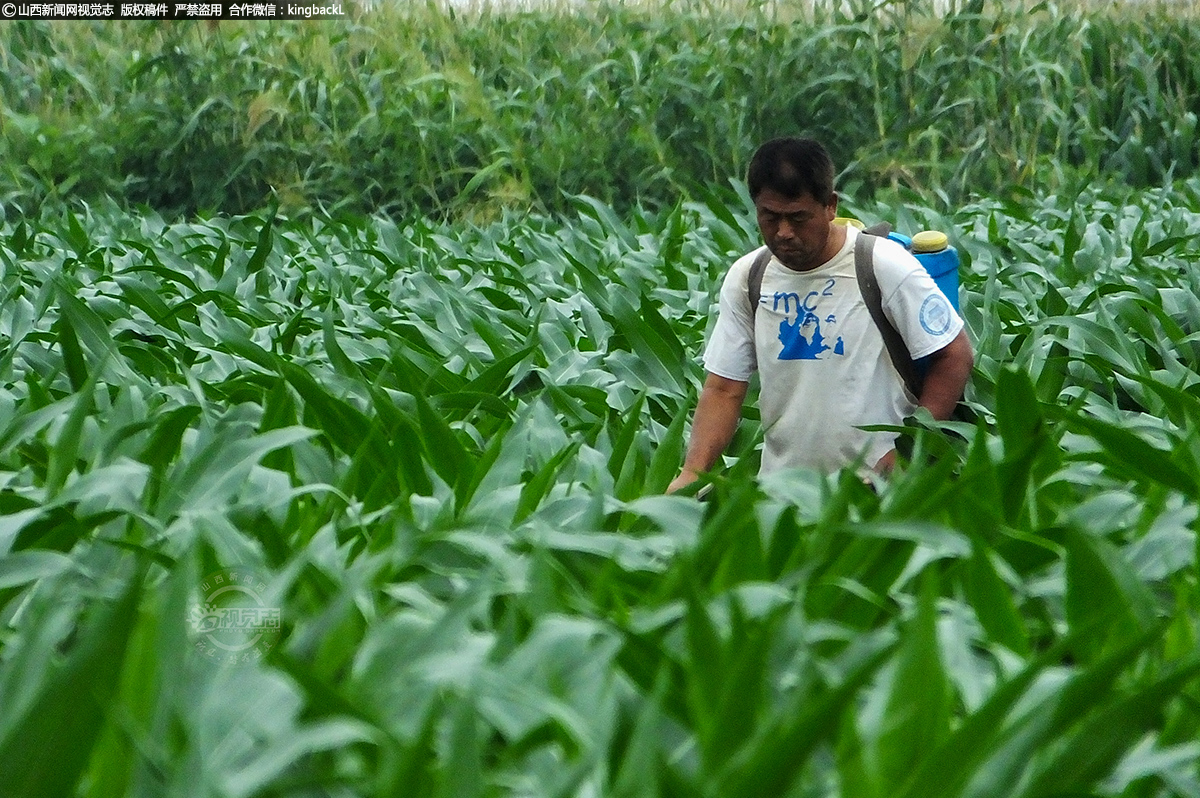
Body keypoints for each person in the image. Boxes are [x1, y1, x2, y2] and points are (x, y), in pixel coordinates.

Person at [667, 137, 974, 492]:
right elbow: (723, 388)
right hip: (784, 492)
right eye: (770, 217)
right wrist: (692, 471)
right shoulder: (748, 277)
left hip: (876, 490)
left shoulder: (881, 266)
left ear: (830, 206)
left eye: (798, 218)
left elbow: (954, 355)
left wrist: (911, 451)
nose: (783, 233)